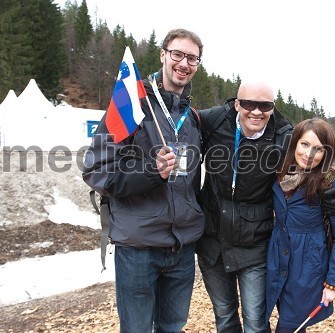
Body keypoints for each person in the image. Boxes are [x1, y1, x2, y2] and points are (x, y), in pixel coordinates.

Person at [196, 81, 335, 332]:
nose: (257, 111)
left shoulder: (317, 174)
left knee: (273, 322)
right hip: (259, 256)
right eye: (249, 103)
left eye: (265, 105)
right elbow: (180, 121)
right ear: (237, 103)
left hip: (290, 261)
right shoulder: (282, 172)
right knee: (236, 316)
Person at [82, 29, 205, 332]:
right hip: (139, 248)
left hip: (182, 248)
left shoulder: (192, 118)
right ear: (163, 55)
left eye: (192, 58)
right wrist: (152, 172)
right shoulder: (132, 106)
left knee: (173, 327)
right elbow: (96, 170)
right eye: (178, 54)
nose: (184, 63)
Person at [265, 118, 335, 333]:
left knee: (290, 326)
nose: (309, 154)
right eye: (304, 145)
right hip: (275, 260)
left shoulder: (328, 184)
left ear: (327, 153)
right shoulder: (280, 173)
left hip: (308, 268)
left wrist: (334, 283)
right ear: (295, 142)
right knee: (260, 319)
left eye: (318, 149)